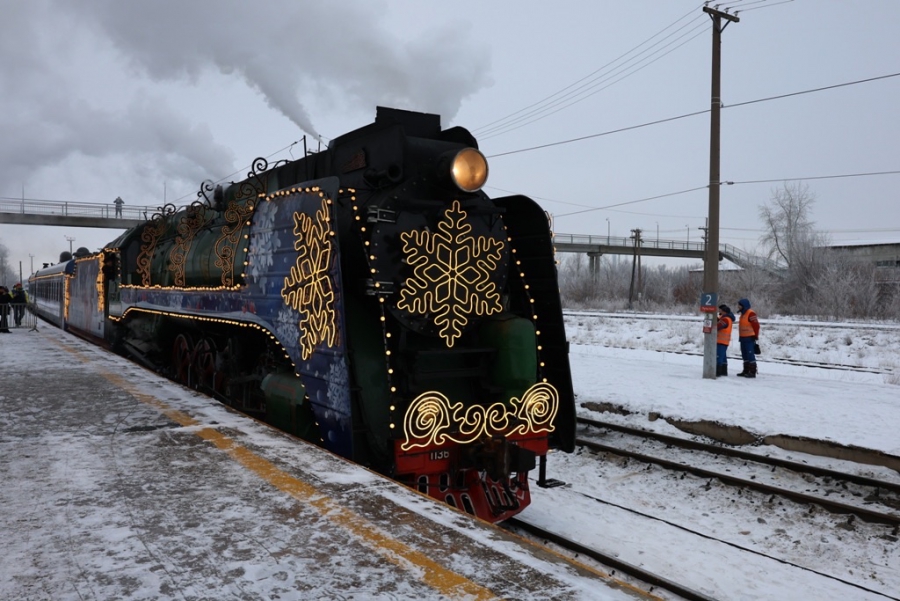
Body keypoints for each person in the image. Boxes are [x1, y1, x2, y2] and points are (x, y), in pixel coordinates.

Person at [736, 298, 760, 378]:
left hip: (749, 337)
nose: (738, 306)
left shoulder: (751, 313)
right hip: (743, 337)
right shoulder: (743, 314)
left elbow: (756, 326)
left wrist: (756, 336)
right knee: (744, 354)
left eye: (739, 305)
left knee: (750, 354)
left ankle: (752, 371)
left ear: (743, 306)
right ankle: (746, 370)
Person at [716, 304, 735, 377]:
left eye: (720, 310)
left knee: (719, 356)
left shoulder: (725, 319)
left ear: (724, 311)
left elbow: (718, 327)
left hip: (721, 340)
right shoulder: (728, 318)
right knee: (723, 356)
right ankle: (724, 371)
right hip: (725, 340)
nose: (719, 311)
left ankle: (718, 371)